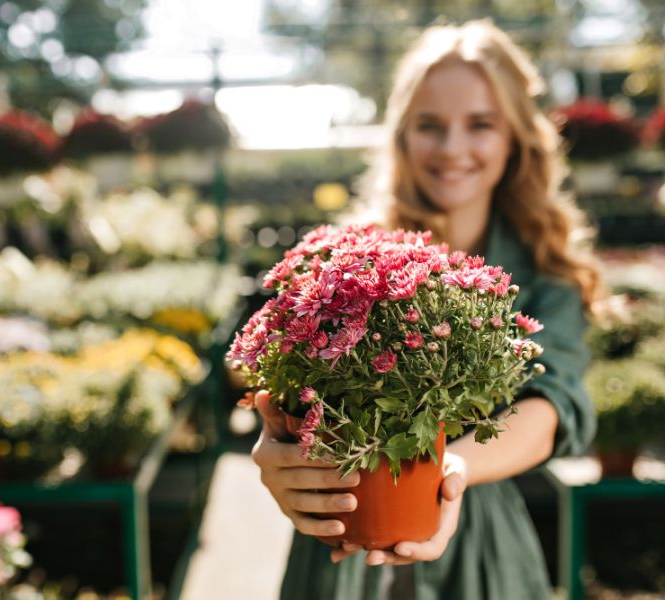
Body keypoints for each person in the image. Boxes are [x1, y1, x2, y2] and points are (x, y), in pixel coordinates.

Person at [249, 20, 602, 600]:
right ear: (402, 135)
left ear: (514, 135)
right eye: (430, 126)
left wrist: (446, 473)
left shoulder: (545, 271)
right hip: (338, 550)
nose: (453, 148)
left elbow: (553, 405)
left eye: (481, 125)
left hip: (482, 552)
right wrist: (277, 449)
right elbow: (287, 395)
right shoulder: (345, 260)